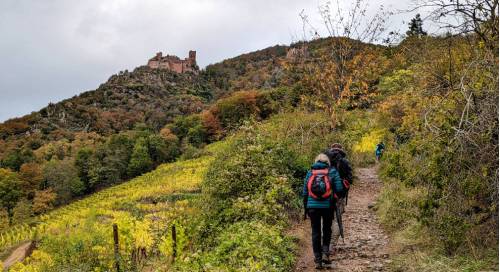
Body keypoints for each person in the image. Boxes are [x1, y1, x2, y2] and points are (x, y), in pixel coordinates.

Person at [303, 154, 342, 269]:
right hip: (327, 206)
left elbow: (305, 192)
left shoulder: (310, 172)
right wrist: (334, 196)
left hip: (312, 207)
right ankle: (325, 253)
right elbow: (339, 189)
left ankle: (318, 260)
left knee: (315, 232)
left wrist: (306, 207)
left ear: (316, 160)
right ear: (327, 162)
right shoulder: (332, 171)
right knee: (327, 229)